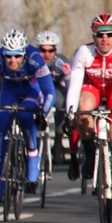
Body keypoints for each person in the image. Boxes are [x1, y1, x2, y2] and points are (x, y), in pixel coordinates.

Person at [64, 14, 112, 215]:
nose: (104, 39)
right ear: (93, 36)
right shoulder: (84, 52)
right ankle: (90, 151)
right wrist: (70, 113)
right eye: (99, 35)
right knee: (83, 107)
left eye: (109, 34)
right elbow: (75, 85)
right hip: (92, 88)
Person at [0, 29, 56, 203]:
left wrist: (44, 112)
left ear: (24, 54)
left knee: (25, 117)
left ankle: (32, 156)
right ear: (3, 53)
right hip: (9, 90)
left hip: (30, 90)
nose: (12, 60)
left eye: (17, 56)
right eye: (8, 56)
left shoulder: (34, 57)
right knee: (2, 124)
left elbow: (49, 91)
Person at [34, 31, 71, 163]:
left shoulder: (62, 63)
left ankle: (58, 140)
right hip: (39, 88)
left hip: (57, 88)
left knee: (61, 103)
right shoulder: (32, 61)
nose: (47, 54)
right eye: (43, 50)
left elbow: (70, 86)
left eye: (51, 50)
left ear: (55, 50)